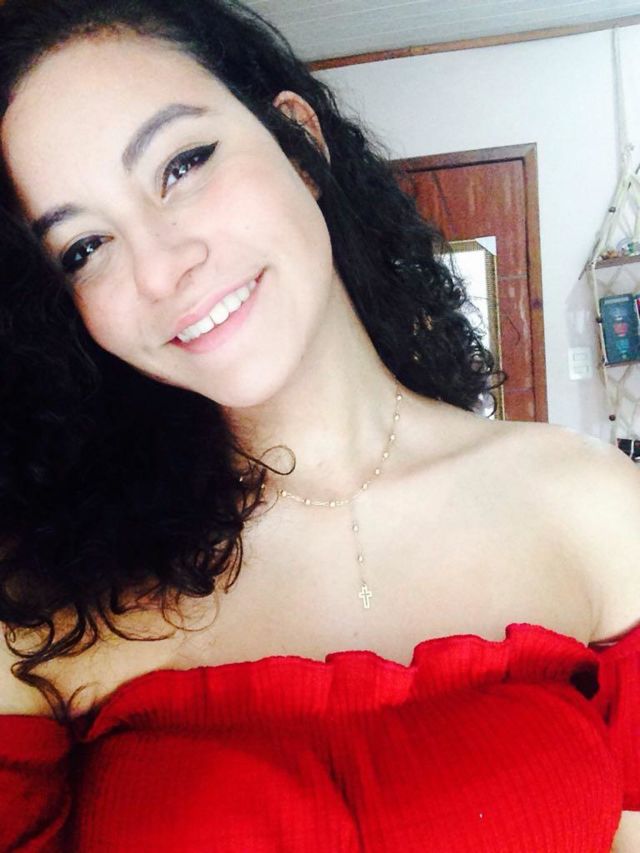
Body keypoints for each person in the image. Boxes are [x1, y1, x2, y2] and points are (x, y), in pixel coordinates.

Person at [0, 0, 639, 850]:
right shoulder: (40, 609)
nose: (160, 268)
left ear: (299, 143)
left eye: (182, 165)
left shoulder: (597, 508)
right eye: (84, 247)